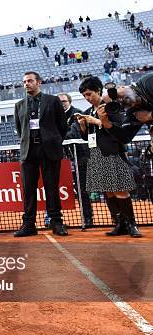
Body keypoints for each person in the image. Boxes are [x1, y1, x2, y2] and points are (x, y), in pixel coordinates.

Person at [70, 77, 141, 237]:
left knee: (120, 190)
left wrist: (96, 121)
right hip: (95, 155)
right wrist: (83, 127)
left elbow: (119, 131)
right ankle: (118, 224)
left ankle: (131, 224)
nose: (87, 98)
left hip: (113, 153)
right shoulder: (88, 112)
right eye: (84, 96)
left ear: (98, 91)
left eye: (89, 94)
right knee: (108, 192)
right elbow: (86, 137)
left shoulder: (112, 107)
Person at [14, 71, 68, 237]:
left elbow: (62, 126)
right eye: (24, 82)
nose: (26, 84)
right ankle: (29, 224)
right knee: (28, 189)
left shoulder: (53, 101)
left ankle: (56, 222)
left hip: (49, 150)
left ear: (39, 82)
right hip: (28, 151)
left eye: (30, 81)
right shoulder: (19, 105)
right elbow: (19, 128)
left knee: (52, 188)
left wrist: (52, 140)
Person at [59, 92, 92, 227]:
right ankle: (54, 219)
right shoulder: (56, 116)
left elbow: (74, 134)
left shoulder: (77, 113)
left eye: (64, 101)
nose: (61, 104)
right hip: (64, 159)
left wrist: (57, 135)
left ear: (69, 102)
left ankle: (88, 219)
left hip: (81, 158)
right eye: (59, 102)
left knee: (82, 191)